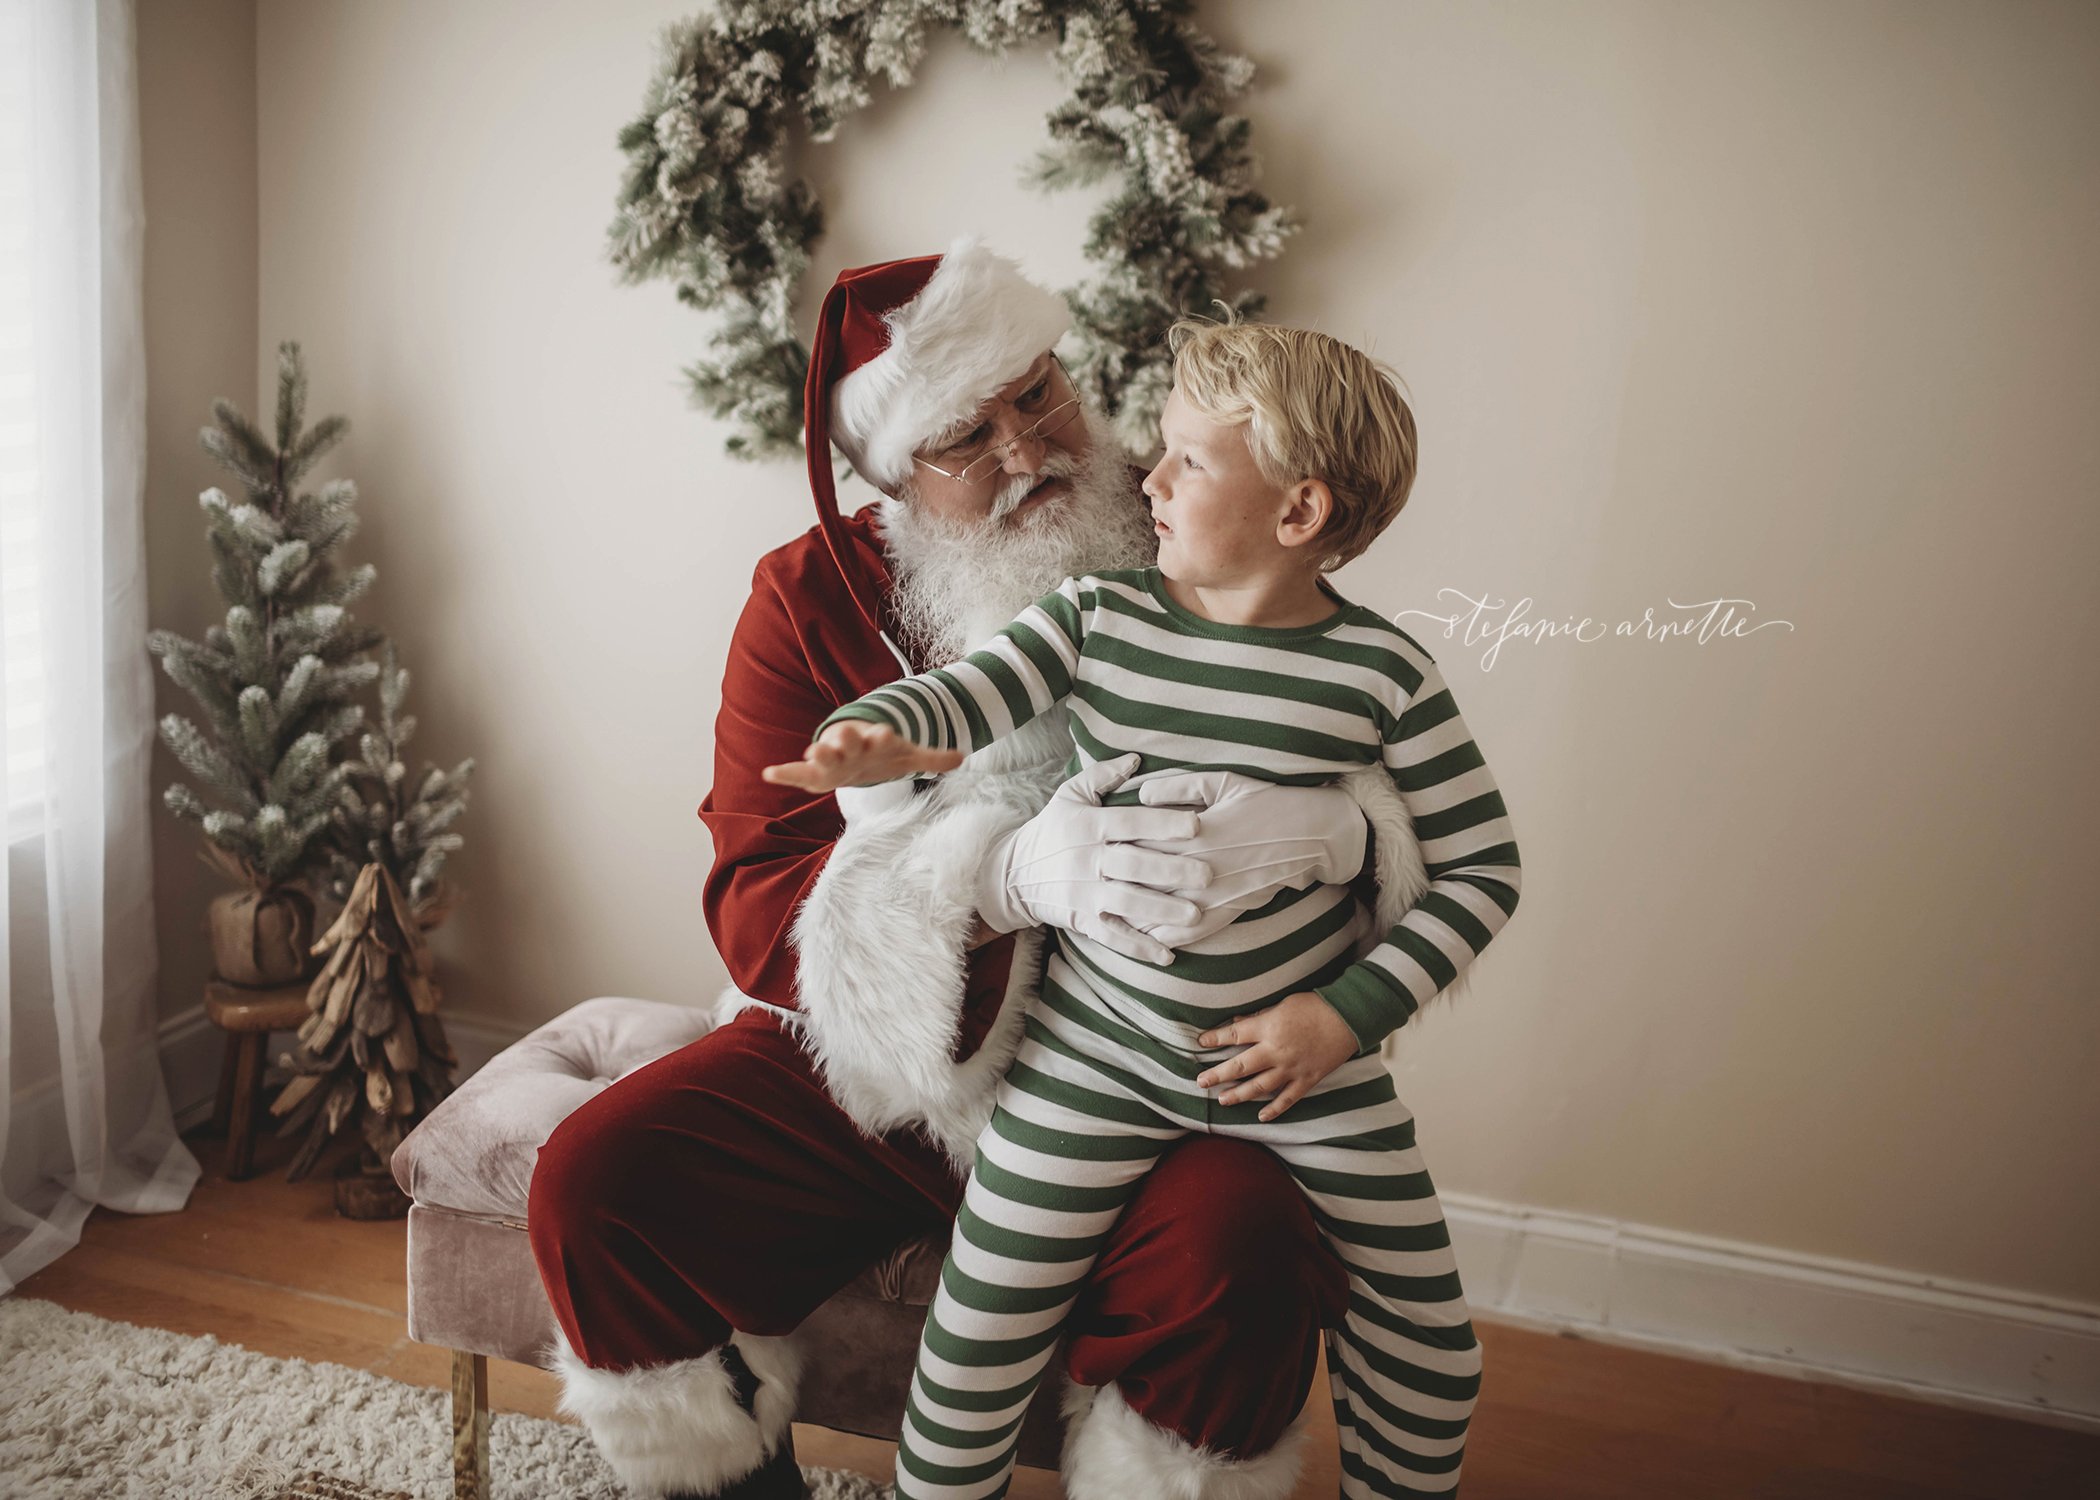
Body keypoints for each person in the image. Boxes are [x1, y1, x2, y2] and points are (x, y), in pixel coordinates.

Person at [526, 239, 1397, 1500]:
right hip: (885, 1074)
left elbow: (1358, 731)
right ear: (892, 475)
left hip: (1153, 1058)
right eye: (965, 435)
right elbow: (756, 903)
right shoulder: (805, 601)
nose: (1028, 449)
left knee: (1240, 1240)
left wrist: (1340, 838)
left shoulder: (1198, 535)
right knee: (600, 1181)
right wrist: (990, 884)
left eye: (1038, 393)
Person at [765, 315, 1525, 1500]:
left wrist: (1342, 1017)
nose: (1148, 477)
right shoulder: (1099, 617)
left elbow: (1484, 870)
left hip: (1299, 1071)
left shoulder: (1382, 675)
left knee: (1429, 1345)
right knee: (978, 1334)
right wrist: (875, 739)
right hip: (1095, 1059)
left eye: (1186, 460)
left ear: (1300, 514)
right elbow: (967, 694)